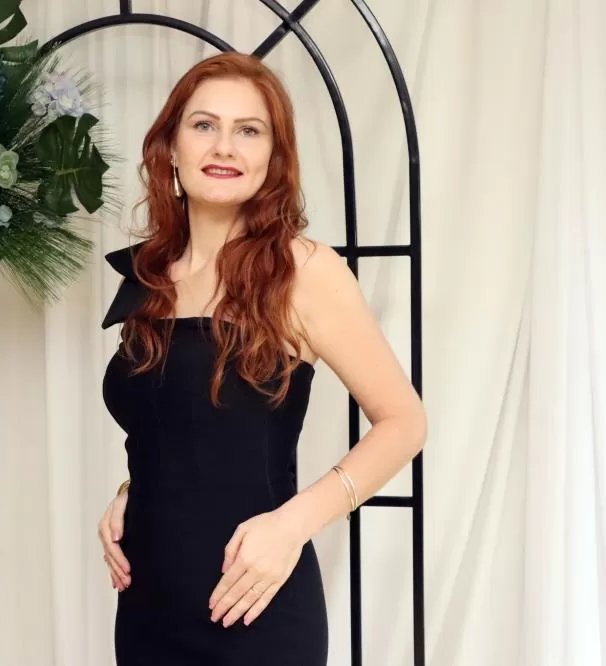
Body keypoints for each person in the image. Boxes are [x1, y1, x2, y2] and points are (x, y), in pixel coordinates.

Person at [97, 52, 427, 665]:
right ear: (170, 147)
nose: (224, 146)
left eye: (248, 130)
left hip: (255, 611)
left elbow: (404, 423)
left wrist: (293, 525)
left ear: (273, 158)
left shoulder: (304, 272)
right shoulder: (151, 274)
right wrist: (132, 490)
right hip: (147, 609)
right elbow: (179, 425)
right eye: (204, 125)